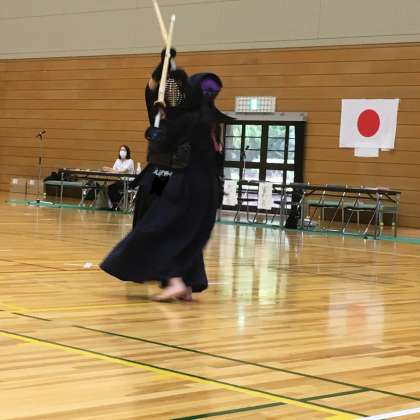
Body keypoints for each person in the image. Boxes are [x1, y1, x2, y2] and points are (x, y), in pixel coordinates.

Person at [100, 49, 230, 301]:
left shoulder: (184, 117)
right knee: (171, 225)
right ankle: (175, 277)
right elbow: (152, 87)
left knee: (161, 223)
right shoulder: (166, 113)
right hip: (169, 178)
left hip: (172, 177)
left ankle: (173, 277)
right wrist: (164, 64)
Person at [103, 145, 135, 209]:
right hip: (119, 181)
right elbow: (113, 171)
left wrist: (109, 169)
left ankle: (117, 205)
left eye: (124, 150)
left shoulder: (130, 161)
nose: (122, 151)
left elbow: (123, 171)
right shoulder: (117, 160)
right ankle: (115, 205)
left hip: (128, 182)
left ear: (127, 152)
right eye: (121, 150)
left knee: (115, 187)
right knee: (109, 188)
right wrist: (109, 169)